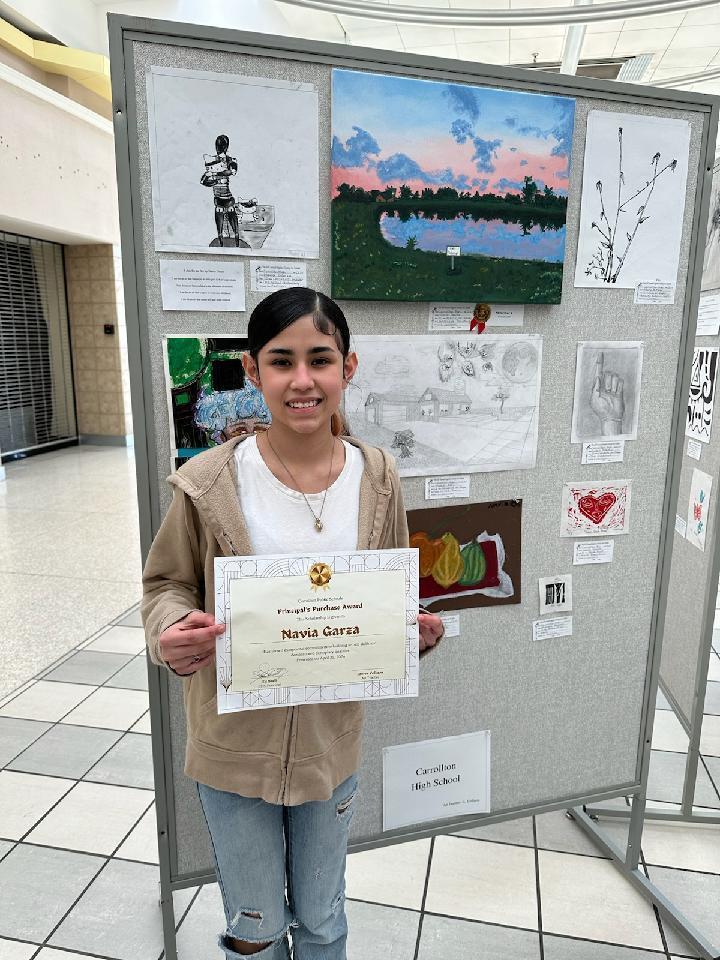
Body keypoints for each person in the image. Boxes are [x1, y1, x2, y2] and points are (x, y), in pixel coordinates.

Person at [142, 287, 444, 960]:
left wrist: (410, 631)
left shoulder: (379, 477)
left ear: (348, 367)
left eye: (320, 359)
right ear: (253, 371)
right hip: (232, 746)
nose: (302, 380)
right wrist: (171, 631)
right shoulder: (209, 481)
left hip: (329, 745)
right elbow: (167, 583)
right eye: (281, 361)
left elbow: (391, 589)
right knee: (253, 927)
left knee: (322, 917)